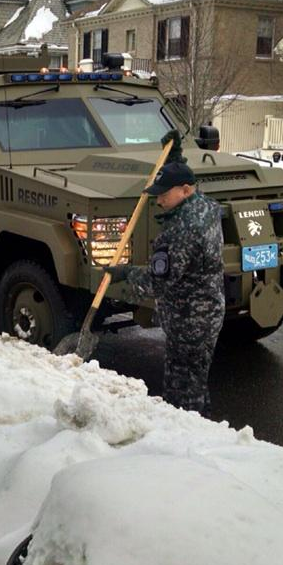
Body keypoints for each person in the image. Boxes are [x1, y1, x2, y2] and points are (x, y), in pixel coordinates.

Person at [105, 160, 225, 417]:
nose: (158, 201)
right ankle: (207, 429)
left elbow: (158, 280)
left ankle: (186, 442)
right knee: (196, 381)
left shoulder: (184, 229)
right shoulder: (206, 208)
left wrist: (126, 273)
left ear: (185, 189)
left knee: (181, 391)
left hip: (189, 318)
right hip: (208, 309)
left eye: (163, 194)